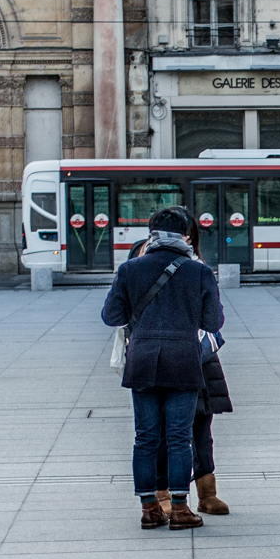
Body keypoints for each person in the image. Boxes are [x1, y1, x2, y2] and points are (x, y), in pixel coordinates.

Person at [102, 206, 222, 529]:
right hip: (183, 360)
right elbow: (214, 321)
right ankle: (181, 509)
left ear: (151, 233)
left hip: (142, 360)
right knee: (179, 437)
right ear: (184, 234)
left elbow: (111, 316)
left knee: (145, 437)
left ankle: (150, 508)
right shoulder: (199, 272)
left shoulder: (130, 269)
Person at [128, 232, 231, 517]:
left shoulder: (195, 264)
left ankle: (203, 493)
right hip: (172, 358)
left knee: (197, 429)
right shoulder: (144, 258)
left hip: (197, 359)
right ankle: (168, 499)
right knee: (165, 435)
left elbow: (212, 318)